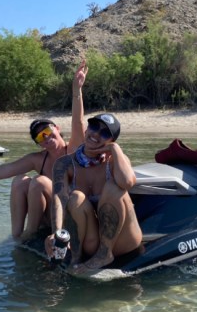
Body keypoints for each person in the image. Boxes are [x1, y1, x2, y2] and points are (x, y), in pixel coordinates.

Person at [0, 61, 89, 240]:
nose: (45, 137)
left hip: (71, 212)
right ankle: (16, 237)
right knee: (19, 181)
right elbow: (6, 169)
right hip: (49, 214)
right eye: (39, 137)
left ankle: (29, 233)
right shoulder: (38, 159)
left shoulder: (73, 148)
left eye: (47, 131)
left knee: (39, 181)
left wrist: (77, 91)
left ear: (57, 129)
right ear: (38, 144)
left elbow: (78, 122)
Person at [45, 112, 143, 273]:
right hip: (91, 242)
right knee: (76, 197)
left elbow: (127, 183)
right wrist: (56, 232)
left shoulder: (115, 160)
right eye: (94, 127)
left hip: (123, 241)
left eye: (105, 133)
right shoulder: (64, 163)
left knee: (114, 187)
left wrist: (114, 148)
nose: (96, 134)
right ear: (86, 129)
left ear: (111, 140)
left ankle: (105, 254)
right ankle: (76, 257)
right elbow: (59, 198)